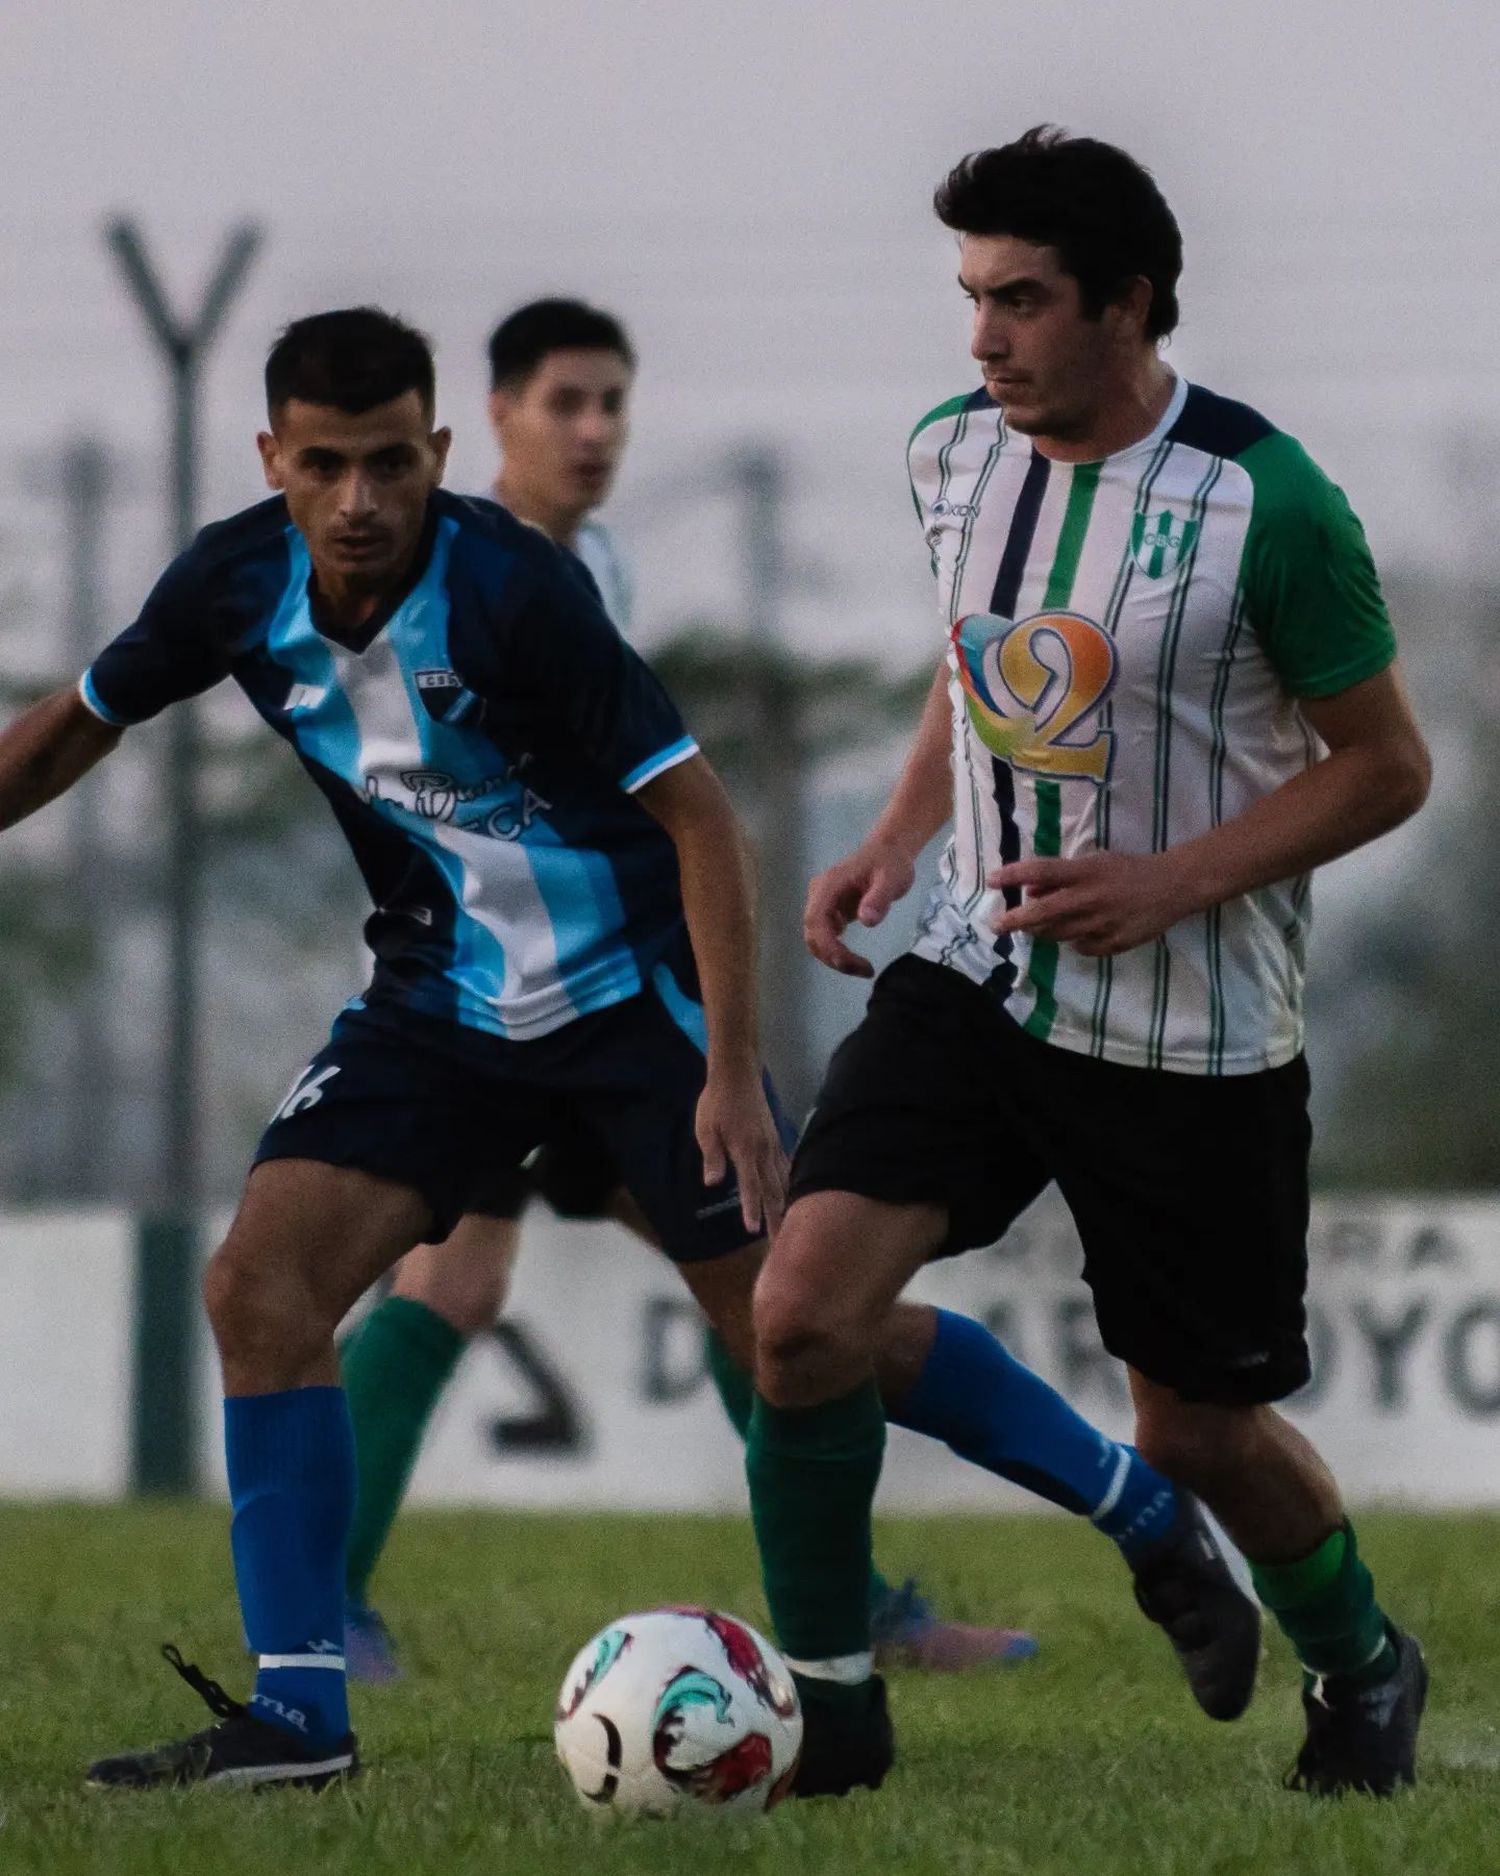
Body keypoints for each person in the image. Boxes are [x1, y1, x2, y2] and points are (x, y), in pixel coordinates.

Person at [0, 308, 1233, 1793]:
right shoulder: (228, 582)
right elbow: (76, 724)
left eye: (391, 463)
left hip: (627, 1012)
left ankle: (1143, 1513)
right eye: (324, 468)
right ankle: (301, 1715)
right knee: (259, 1287)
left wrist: (727, 1069)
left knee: (802, 1334)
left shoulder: (520, 590)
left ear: (439, 451)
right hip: (438, 1009)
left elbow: (699, 815)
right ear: (273, 460)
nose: (360, 502)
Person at [745, 126, 1433, 1801]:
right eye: (972, 297)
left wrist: (1169, 883)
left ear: (1128, 304)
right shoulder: (950, 455)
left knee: (1193, 1433)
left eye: (1024, 301)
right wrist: (908, 834)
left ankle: (1361, 1663)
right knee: (799, 1319)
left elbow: (1387, 765)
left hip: (1190, 1036)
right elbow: (977, 666)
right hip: (977, 976)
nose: (983, 339)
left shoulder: (1268, 504)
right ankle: (832, 1708)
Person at [338, 296, 1035, 1684]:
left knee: (743, 1284)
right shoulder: (464, 576)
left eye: (613, 405)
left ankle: (866, 1605)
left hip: (593, 996)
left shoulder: (585, 564)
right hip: (524, 997)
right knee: (508, 1275)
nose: (594, 431)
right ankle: (318, 1615)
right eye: (565, 404)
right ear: (496, 418)